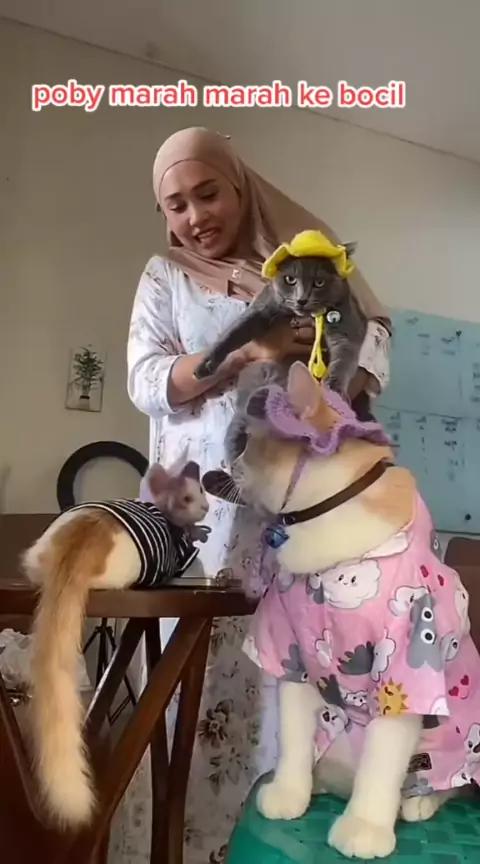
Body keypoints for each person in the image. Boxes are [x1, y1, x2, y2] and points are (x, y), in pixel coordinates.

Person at [126, 126, 391, 864]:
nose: (195, 216)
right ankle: (174, 848)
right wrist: (248, 352)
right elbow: (145, 380)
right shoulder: (165, 275)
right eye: (176, 204)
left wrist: (335, 375)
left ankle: (268, 846)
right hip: (193, 523)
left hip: (294, 521)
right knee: (185, 698)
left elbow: (375, 341)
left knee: (289, 692)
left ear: (241, 188)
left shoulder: (305, 265)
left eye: (208, 194)